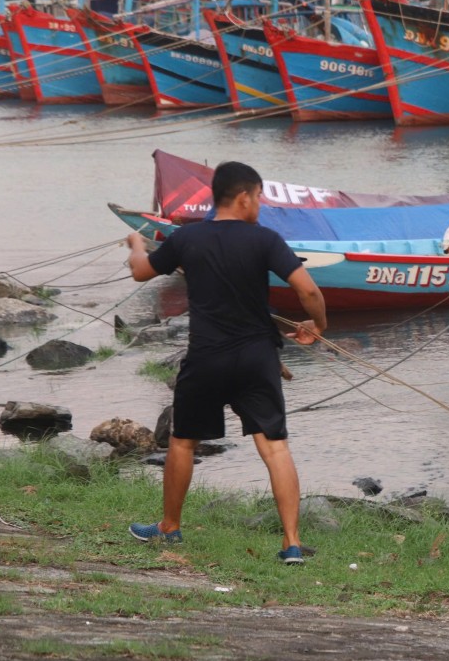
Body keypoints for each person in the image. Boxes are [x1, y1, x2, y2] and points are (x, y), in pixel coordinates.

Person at [124, 161, 328, 566]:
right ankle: (290, 543)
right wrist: (317, 325)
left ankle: (169, 527)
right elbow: (307, 290)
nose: (260, 206)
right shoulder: (266, 240)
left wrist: (135, 242)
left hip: (207, 357)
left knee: (183, 441)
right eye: (258, 198)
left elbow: (140, 272)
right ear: (243, 197)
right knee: (275, 448)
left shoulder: (188, 238)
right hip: (256, 358)